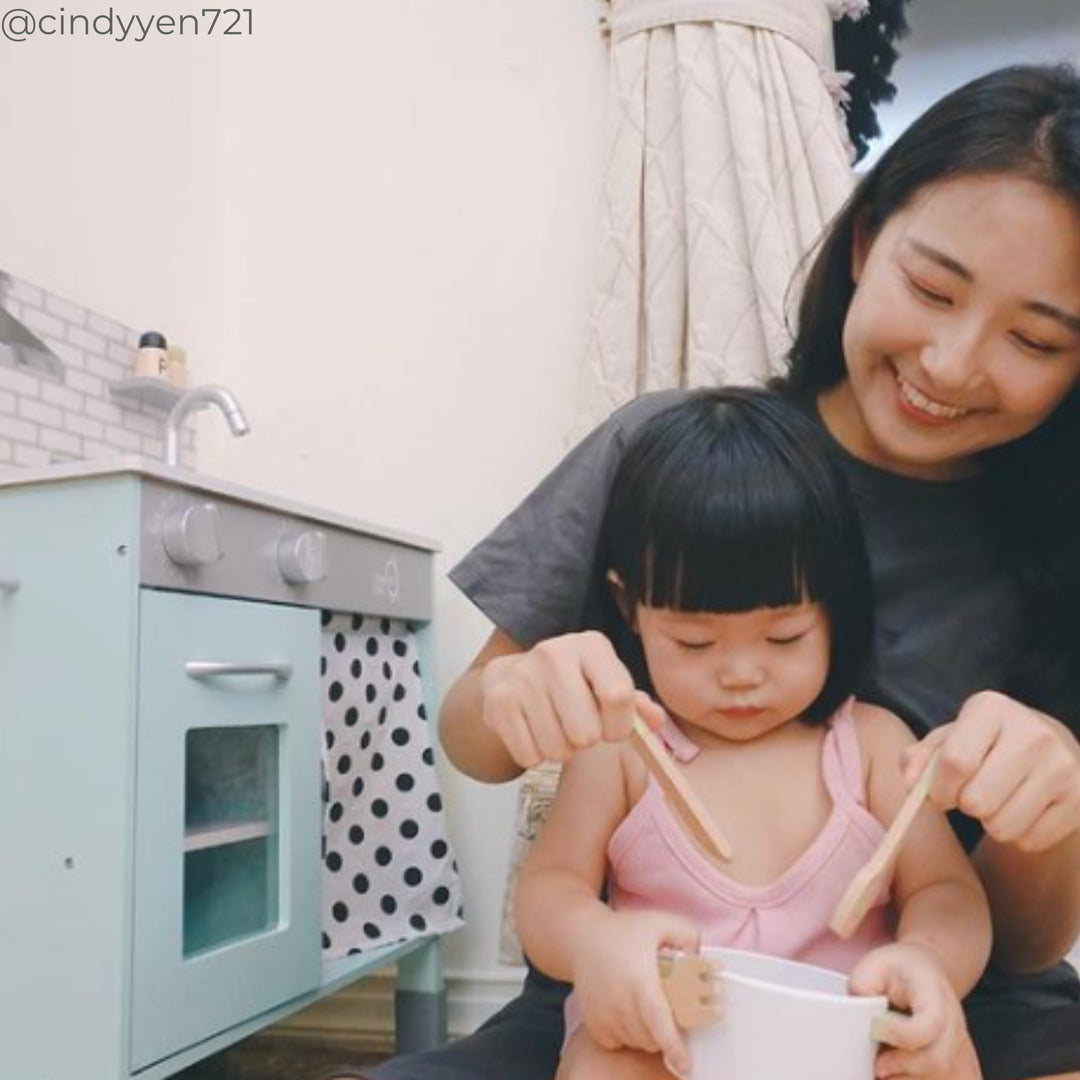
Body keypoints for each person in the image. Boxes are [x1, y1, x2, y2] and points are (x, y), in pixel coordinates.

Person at [360, 62, 1080, 1080]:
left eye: (1034, 338)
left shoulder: (1047, 558)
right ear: (867, 240)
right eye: (932, 288)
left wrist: (1053, 803)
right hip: (648, 994)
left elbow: (1020, 940)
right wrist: (515, 699)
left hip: (928, 1002)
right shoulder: (668, 453)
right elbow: (475, 740)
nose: (955, 364)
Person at [515, 387, 990, 1080]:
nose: (741, 674)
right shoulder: (623, 748)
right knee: (603, 1061)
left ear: (836, 607)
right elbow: (550, 890)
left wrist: (927, 962)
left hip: (844, 1045)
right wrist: (596, 943)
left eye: (784, 635)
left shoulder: (873, 744)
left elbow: (948, 894)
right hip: (669, 1038)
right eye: (695, 643)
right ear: (631, 609)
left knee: (945, 1057)